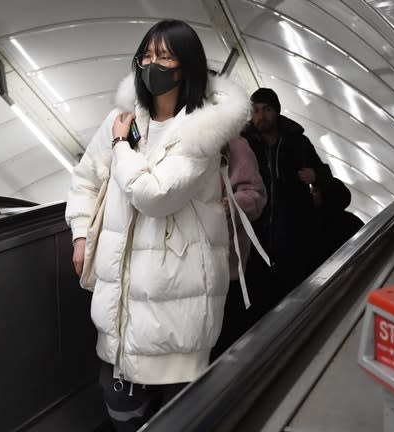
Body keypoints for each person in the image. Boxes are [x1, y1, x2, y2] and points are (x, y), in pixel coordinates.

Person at [65, 19, 250, 432]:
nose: (152, 65)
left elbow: (155, 195)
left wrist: (120, 146)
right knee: (120, 404)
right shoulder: (123, 117)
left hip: (177, 302)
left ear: (186, 67)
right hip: (119, 304)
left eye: (164, 57)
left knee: (179, 414)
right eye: (146, 55)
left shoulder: (203, 129)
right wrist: (80, 235)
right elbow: (86, 178)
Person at [242, 88, 332, 308]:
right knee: (260, 300)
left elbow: (325, 174)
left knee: (294, 296)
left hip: (294, 235)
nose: (261, 115)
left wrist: (315, 176)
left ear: (277, 111)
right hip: (257, 237)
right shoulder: (245, 145)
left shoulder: (297, 143)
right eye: (256, 111)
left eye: (267, 109)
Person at [211, 136, 267, 360]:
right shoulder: (172, 139)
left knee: (224, 345)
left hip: (225, 266)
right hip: (182, 270)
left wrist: (231, 206)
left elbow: (256, 194)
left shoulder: (234, 144)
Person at [313, 177, 364, 265]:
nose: (311, 193)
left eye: (316, 191)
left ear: (327, 194)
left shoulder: (316, 222)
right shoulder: (353, 221)